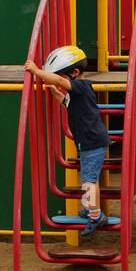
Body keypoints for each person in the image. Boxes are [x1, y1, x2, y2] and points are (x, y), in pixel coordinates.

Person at [23, 45, 113, 233]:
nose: (57, 81)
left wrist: (36, 71)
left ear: (75, 73)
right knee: (88, 178)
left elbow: (58, 81)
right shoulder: (77, 93)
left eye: (60, 76)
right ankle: (90, 210)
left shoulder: (81, 86)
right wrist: (57, 94)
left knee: (89, 180)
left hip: (92, 142)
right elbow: (68, 104)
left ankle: (96, 216)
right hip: (89, 142)